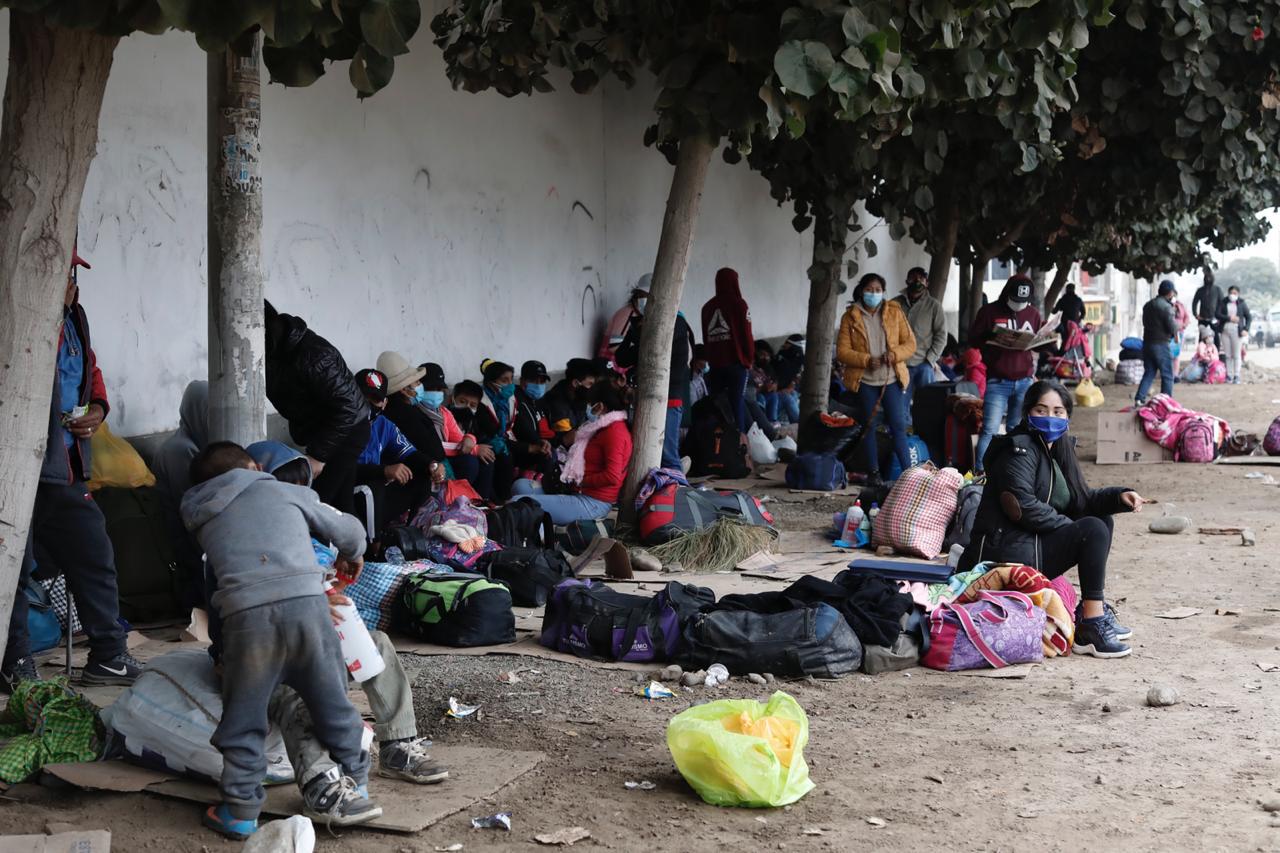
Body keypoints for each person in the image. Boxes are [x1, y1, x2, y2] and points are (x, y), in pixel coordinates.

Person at [181, 442, 378, 839]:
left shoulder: (199, 515)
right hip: (308, 612)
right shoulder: (283, 490)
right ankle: (355, 786)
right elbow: (348, 530)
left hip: (246, 623)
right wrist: (352, 553)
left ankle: (239, 810)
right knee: (333, 704)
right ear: (254, 466)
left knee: (244, 718)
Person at [243, 442, 448, 817]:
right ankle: (321, 785)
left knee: (377, 643)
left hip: (305, 639)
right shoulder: (235, 538)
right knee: (295, 688)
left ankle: (396, 745)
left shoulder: (294, 531)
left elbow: (343, 542)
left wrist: (327, 592)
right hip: (260, 656)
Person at [3, 248, 142, 691]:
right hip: (15, 469)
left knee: (94, 553)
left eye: (69, 273)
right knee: (13, 567)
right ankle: (14, 660)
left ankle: (109, 655)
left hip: (64, 466)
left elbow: (90, 372)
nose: (68, 282)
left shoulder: (75, 317)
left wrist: (98, 408)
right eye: (59, 272)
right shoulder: (14, 315)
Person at [957, 380, 1147, 658]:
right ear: (1027, 413)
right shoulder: (1017, 449)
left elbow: (1081, 499)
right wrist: (1073, 530)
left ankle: (1090, 612)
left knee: (1101, 520)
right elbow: (1020, 506)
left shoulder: (1055, 448)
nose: (1050, 418)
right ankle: (1091, 625)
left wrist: (1120, 496)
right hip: (1003, 553)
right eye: (1041, 410)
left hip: (1028, 544)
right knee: (1091, 530)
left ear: (1067, 417)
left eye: (1058, 412)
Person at [265, 301, 370, 516]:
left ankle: (331, 549)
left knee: (316, 507)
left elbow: (346, 409)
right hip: (327, 431)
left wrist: (318, 456)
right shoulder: (274, 350)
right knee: (340, 507)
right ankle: (355, 549)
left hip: (346, 431)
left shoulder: (314, 355)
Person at [835, 273, 918, 487]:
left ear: (883, 291)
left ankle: (910, 475)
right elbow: (842, 351)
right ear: (862, 291)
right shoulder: (850, 317)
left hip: (891, 379)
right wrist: (864, 360)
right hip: (865, 381)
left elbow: (910, 344)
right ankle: (874, 474)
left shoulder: (894, 311)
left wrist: (895, 354)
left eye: (878, 290)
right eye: (870, 289)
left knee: (898, 426)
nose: (874, 294)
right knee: (869, 427)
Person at [510, 383, 632, 524]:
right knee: (520, 486)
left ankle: (539, 537)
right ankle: (539, 530)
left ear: (600, 407)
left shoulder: (614, 432)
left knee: (517, 504)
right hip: (577, 491)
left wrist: (580, 482)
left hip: (594, 501)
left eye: (590, 404)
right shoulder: (599, 428)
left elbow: (612, 476)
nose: (587, 409)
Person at [969, 275, 1045, 472]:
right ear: (1006, 294)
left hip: (1025, 380)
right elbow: (973, 340)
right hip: (997, 380)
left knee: (1017, 429)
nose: (1019, 306)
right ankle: (981, 473)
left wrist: (1051, 339)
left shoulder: (1033, 314)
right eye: (1015, 300)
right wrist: (990, 336)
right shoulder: (989, 312)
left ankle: (1014, 471)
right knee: (990, 430)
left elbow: (1043, 341)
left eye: (1023, 301)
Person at [353, 369, 438, 534]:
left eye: (375, 400)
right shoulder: (343, 423)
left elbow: (409, 453)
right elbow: (342, 469)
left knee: (421, 477)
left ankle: (410, 535)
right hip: (346, 495)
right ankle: (373, 546)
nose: (368, 404)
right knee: (373, 486)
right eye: (364, 397)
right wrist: (384, 471)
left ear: (384, 403)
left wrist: (431, 465)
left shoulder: (383, 424)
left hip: (372, 493)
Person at [151, 379, 210, 608]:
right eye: (208, 414)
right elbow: (191, 512)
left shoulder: (196, 444)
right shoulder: (181, 451)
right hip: (183, 538)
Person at [615, 306, 696, 470]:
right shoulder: (643, 329)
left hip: (668, 398)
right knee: (645, 452)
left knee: (667, 455)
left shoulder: (676, 322)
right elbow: (621, 358)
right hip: (645, 398)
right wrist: (634, 332)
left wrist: (643, 331)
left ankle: (678, 491)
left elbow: (657, 347)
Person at [416, 363, 496, 499]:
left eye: (439, 389)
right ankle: (458, 501)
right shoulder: (415, 411)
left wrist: (470, 439)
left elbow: (458, 438)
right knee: (469, 461)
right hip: (426, 459)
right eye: (431, 388)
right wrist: (474, 448)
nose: (436, 393)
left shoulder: (443, 412)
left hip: (444, 457)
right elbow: (432, 445)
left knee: (484, 459)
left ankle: (480, 503)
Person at [375, 350, 449, 483]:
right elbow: (432, 451)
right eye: (417, 382)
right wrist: (432, 465)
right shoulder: (406, 414)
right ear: (405, 390)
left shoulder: (394, 410)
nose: (420, 385)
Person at [701, 267, 754, 433]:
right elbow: (747, 335)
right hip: (736, 364)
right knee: (736, 403)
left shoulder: (707, 308)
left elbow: (705, 337)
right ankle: (739, 445)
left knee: (719, 406)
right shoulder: (740, 304)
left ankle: (720, 446)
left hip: (715, 366)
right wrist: (749, 359)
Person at [893, 266, 948, 414]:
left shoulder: (934, 306)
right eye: (913, 278)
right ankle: (904, 435)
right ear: (906, 281)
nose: (917, 281)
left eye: (921, 278)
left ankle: (924, 435)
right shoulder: (894, 304)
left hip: (924, 365)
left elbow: (941, 336)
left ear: (927, 283)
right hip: (900, 365)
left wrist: (930, 360)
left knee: (926, 406)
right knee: (899, 408)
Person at [479, 359, 519, 500]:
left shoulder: (510, 398)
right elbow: (487, 430)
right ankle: (501, 499)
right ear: (491, 382)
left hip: (505, 438)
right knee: (503, 456)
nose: (510, 384)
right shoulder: (481, 401)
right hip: (485, 439)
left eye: (511, 379)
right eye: (504, 380)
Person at [1136, 280, 1179, 405]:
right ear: (1171, 293)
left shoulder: (1147, 305)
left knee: (1149, 372)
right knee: (1167, 374)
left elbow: (1144, 322)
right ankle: (1166, 403)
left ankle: (1139, 398)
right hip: (1160, 344)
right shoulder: (1167, 307)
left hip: (1147, 343)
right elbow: (1172, 326)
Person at [512, 360, 555, 480]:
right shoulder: (516, 399)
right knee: (549, 455)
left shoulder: (540, 401)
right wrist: (539, 443)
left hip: (539, 444)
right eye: (533, 380)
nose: (538, 385)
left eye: (542, 381)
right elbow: (523, 428)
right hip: (521, 449)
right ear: (522, 381)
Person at [541, 358, 596, 446]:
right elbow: (568, 439)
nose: (593, 389)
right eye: (590, 384)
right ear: (575, 383)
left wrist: (593, 414)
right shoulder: (557, 403)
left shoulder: (579, 397)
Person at [599, 278, 649, 362]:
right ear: (637, 296)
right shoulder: (628, 314)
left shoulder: (640, 315)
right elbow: (614, 347)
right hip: (612, 366)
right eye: (645, 296)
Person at [1216, 285, 1252, 384]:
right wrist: (1229, 318)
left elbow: (1248, 317)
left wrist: (1246, 329)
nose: (1233, 295)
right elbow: (1217, 314)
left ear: (1238, 294)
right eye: (1231, 293)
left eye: (1235, 293)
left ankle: (1236, 375)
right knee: (1227, 355)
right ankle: (1229, 375)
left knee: (1236, 354)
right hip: (1225, 330)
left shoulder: (1242, 303)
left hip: (1237, 330)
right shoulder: (1223, 302)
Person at [770, 334, 805, 425]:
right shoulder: (779, 359)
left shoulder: (796, 360)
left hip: (783, 393)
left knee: (793, 394)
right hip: (772, 395)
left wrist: (791, 386)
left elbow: (794, 380)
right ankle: (801, 424)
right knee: (787, 397)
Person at [1192, 269, 1224, 348]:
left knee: (1216, 335)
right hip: (1202, 317)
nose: (1208, 279)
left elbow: (1222, 303)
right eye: (1207, 277)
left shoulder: (1217, 289)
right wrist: (1196, 314)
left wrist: (1219, 316)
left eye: (1210, 277)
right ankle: (1201, 354)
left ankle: (1216, 354)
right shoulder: (1200, 290)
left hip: (1215, 317)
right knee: (1202, 336)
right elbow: (1194, 302)